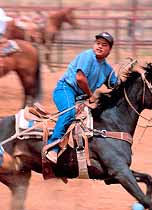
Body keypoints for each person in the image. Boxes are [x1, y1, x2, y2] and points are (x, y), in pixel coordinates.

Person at [45, 32, 127, 164]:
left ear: (109, 50)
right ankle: (52, 148)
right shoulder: (87, 56)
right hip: (66, 89)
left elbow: (115, 85)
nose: (99, 47)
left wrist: (126, 80)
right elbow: (80, 78)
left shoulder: (107, 68)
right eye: (98, 43)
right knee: (69, 113)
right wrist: (90, 95)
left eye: (104, 45)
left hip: (81, 97)